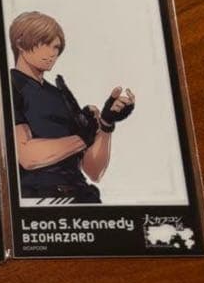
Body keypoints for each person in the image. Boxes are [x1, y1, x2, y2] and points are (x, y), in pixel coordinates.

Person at [9, 11, 135, 204]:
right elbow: (26, 156)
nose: (53, 53)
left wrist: (106, 124)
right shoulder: (10, 86)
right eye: (45, 43)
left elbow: (94, 171)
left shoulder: (60, 94)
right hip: (40, 198)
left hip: (81, 195)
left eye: (57, 47)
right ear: (20, 43)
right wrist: (82, 138)